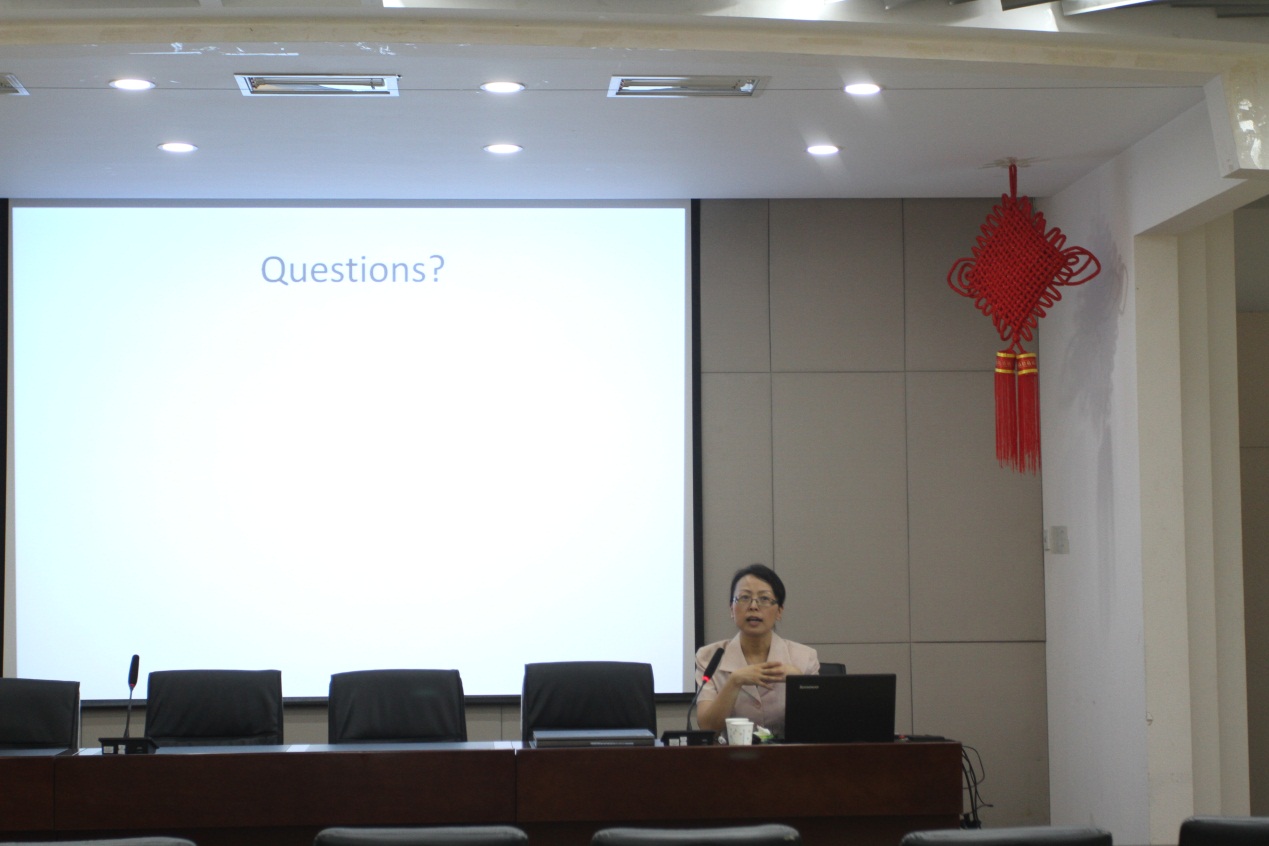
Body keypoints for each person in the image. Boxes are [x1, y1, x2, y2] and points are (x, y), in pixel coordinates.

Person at [694, 563, 819, 738]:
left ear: (779, 611)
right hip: (730, 753)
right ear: (732, 609)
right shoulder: (709, 657)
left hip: (788, 753)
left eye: (764, 599)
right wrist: (734, 681)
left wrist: (798, 682)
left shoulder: (805, 658)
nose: (753, 606)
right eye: (744, 598)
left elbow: (817, 725)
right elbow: (707, 727)